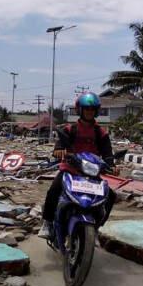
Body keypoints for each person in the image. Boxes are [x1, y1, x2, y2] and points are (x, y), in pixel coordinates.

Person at [38, 92, 118, 239]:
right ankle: (47, 223)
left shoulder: (101, 133)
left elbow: (107, 154)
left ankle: (97, 227)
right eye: (86, 109)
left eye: (92, 109)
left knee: (110, 196)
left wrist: (112, 165)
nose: (89, 112)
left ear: (96, 111)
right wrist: (58, 151)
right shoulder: (70, 129)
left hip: (91, 173)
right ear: (79, 110)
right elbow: (59, 145)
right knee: (54, 190)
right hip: (70, 170)